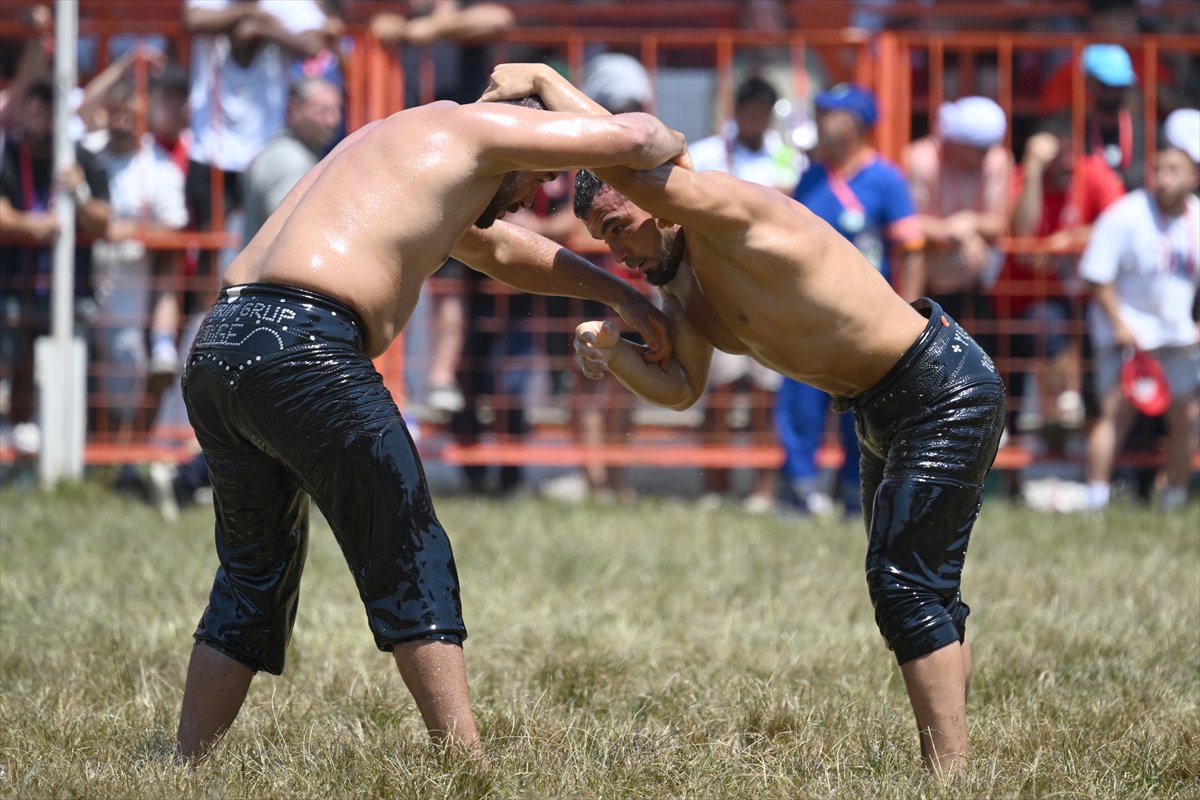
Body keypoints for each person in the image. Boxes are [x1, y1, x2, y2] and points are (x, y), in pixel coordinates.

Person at [483, 63, 1007, 779]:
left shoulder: (726, 213)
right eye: (601, 240)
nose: (617, 253)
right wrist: (612, 353)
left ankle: (951, 777)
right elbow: (681, 389)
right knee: (923, 586)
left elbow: (629, 157)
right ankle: (956, 762)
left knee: (903, 585)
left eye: (615, 227)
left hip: (940, 387)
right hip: (880, 409)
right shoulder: (682, 282)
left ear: (655, 200)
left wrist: (545, 81)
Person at [173, 89, 686, 761]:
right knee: (410, 548)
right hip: (307, 347)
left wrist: (622, 295)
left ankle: (185, 764)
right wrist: (566, 91)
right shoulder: (475, 128)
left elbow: (499, 252)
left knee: (251, 574)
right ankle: (465, 764)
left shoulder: (399, 146)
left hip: (220, 344)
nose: (532, 200)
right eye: (537, 178)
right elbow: (637, 138)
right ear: (523, 133)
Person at [779, 84, 925, 516]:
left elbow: (911, 249)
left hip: (864, 322)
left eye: (830, 114)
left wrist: (910, 315)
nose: (820, 122)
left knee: (861, 415)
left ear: (855, 124)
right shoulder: (811, 176)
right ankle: (799, 492)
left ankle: (855, 496)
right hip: (806, 317)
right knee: (799, 406)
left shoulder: (885, 178)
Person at [689, 75, 797, 511]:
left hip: (768, 292)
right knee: (718, 393)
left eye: (762, 112)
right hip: (719, 290)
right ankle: (715, 488)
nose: (755, 120)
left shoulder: (787, 155)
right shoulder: (708, 152)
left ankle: (763, 491)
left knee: (765, 397)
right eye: (749, 111)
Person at [1079, 127, 1199, 511]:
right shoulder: (1126, 213)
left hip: (1177, 336)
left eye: (1174, 170)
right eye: (1159, 169)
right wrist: (1118, 324)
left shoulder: (1197, 218)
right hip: (1128, 335)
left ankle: (1175, 500)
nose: (1164, 178)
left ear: (1194, 176)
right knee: (1114, 414)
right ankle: (1096, 500)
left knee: (1188, 416)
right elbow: (1098, 275)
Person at [993, 114, 1125, 436]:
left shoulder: (1094, 174)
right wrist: (1034, 170)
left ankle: (1069, 407)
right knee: (1048, 322)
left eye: (1070, 155)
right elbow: (1024, 240)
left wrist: (1071, 239)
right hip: (1026, 301)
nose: (1066, 165)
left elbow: (1124, 224)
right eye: (1056, 157)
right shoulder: (1023, 178)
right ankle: (1059, 408)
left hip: (1089, 299)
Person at [904, 96, 1012, 348]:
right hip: (927, 287)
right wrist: (950, 231)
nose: (983, 158)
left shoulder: (996, 160)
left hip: (977, 292)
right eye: (977, 150)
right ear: (954, 143)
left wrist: (970, 222)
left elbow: (1000, 223)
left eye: (988, 149)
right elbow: (906, 223)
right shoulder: (922, 160)